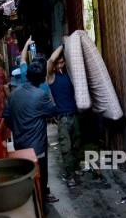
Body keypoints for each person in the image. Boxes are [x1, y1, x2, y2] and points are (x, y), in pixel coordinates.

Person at [2, 62, 59, 212]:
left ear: (27, 76)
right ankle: (41, 205)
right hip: (37, 146)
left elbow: (6, 116)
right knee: (41, 175)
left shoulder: (14, 94)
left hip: (20, 144)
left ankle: (29, 202)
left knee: (26, 175)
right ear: (41, 79)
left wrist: (16, 128)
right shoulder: (40, 95)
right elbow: (52, 112)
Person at [47, 37, 82, 188]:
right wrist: (63, 45)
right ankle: (69, 177)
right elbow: (50, 60)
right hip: (62, 118)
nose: (60, 65)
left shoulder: (68, 74)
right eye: (58, 63)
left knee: (76, 145)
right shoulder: (51, 77)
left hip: (74, 115)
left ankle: (75, 168)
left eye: (62, 62)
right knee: (66, 148)